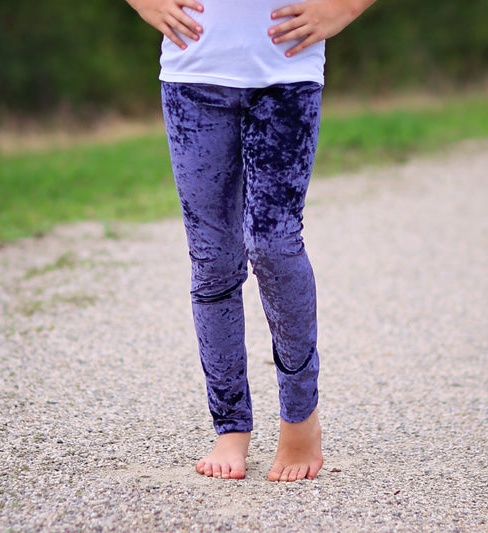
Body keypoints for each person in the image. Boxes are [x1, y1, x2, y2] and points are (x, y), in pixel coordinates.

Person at [126, 0, 376, 482]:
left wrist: (344, 8)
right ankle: (230, 426)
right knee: (214, 260)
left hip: (287, 72)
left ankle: (300, 418)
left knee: (273, 244)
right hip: (193, 73)